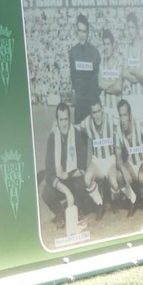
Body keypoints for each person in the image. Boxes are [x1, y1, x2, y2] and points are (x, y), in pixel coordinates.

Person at [40, 102, 89, 233]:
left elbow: (83, 167)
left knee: (83, 182)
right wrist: (66, 191)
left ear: (70, 119)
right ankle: (60, 213)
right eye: (61, 120)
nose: (64, 123)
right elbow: (50, 173)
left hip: (73, 179)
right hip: (61, 183)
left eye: (66, 119)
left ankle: (78, 209)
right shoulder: (52, 138)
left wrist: (67, 175)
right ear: (57, 121)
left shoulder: (77, 135)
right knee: (46, 193)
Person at [114, 98, 143, 209]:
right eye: (121, 116)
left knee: (141, 177)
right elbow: (118, 159)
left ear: (130, 116)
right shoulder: (118, 132)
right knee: (119, 175)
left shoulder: (138, 125)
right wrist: (124, 170)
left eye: (125, 115)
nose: (123, 119)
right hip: (131, 163)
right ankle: (133, 199)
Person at [67, 15, 100, 124]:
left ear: (88, 32)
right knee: (80, 137)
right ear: (76, 31)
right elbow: (73, 76)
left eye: (84, 31)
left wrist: (93, 98)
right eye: (80, 31)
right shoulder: (73, 52)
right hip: (79, 103)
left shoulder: (94, 53)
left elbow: (97, 78)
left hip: (92, 103)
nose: (82, 35)